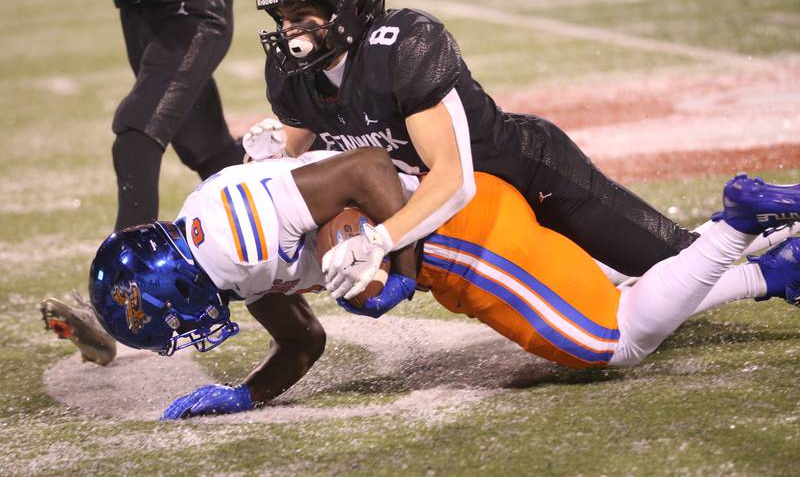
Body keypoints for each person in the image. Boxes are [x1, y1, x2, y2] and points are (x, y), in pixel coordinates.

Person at [86, 147, 800, 419]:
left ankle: (743, 231)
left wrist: (391, 266)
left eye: (168, 324)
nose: (183, 334)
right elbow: (302, 339)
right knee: (629, 285)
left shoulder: (231, 247)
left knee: (611, 340)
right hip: (452, 228)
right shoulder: (213, 243)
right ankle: (772, 255)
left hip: (455, 237)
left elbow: (365, 171)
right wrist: (248, 393)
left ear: (174, 286)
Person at [247, 0, 698, 301]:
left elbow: (453, 179)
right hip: (480, 222)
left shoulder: (401, 48)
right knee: (607, 299)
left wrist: (380, 241)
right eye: (282, 18)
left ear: (348, 4)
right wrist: (264, 160)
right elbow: (290, 164)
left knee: (678, 265)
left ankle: (758, 238)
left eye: (303, 15)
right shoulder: (294, 77)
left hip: (531, 180)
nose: (290, 34)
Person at [58, 0, 245, 231]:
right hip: (137, 14)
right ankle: (288, 234)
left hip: (197, 12)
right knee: (206, 146)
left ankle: (129, 274)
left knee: (137, 134)